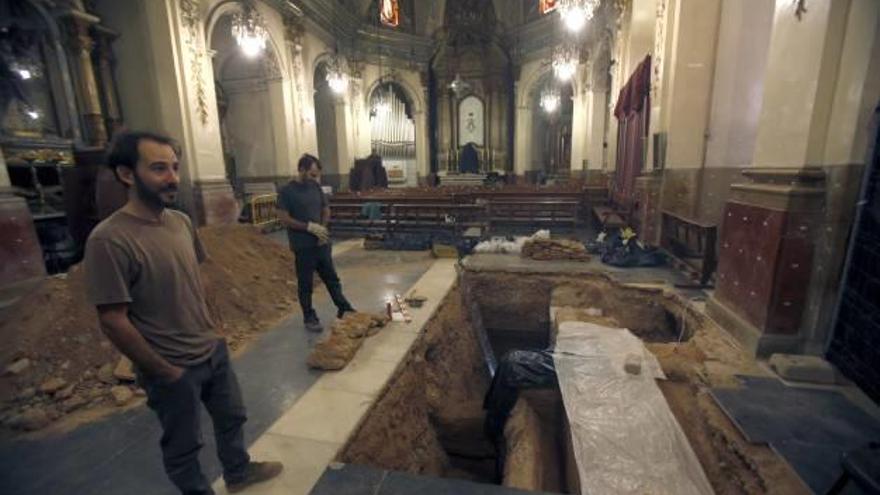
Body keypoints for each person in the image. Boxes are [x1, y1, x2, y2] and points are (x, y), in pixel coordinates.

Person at [83, 131, 282, 495]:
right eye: (159, 168)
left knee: (232, 417)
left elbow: (199, 274)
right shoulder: (109, 239)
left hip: (211, 350)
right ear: (128, 174)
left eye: (175, 167)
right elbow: (112, 319)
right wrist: (163, 370)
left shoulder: (180, 222)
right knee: (183, 446)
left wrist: (217, 327)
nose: (172, 177)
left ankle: (238, 473)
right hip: (171, 364)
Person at [276, 154, 355, 332]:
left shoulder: (316, 187)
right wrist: (307, 227)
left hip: (321, 243)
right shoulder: (287, 191)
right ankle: (309, 317)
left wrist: (322, 227)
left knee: (332, 279)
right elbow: (283, 218)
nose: (315, 178)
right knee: (306, 283)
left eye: (317, 175)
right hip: (303, 245)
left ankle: (344, 308)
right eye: (312, 174)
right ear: (301, 170)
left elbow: (325, 208)